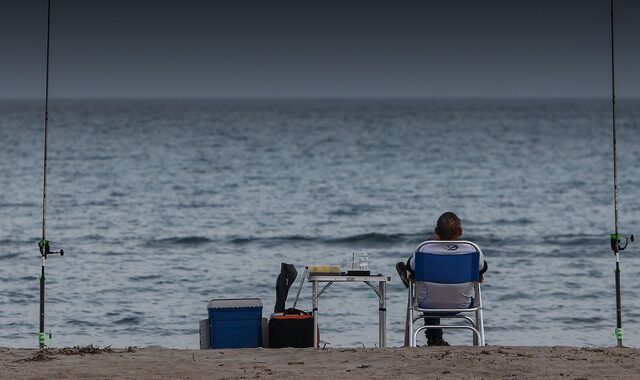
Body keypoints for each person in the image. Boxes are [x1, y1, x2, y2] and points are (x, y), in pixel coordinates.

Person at [396, 211, 487, 346]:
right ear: (461, 231)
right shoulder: (472, 249)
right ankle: (479, 341)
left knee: (427, 289)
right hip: (462, 303)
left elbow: (410, 266)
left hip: (428, 304)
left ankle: (434, 338)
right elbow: (483, 268)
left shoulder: (424, 249)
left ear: (435, 231)